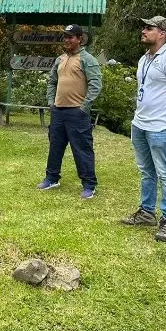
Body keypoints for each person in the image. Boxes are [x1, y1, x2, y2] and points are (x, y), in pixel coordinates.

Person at [121, 16, 166, 242]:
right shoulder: (145, 59)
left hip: (161, 127)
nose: (144, 30)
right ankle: (147, 212)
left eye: (149, 28)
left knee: (165, 174)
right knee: (146, 171)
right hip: (140, 123)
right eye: (144, 27)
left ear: (162, 33)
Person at [37, 24, 102, 199]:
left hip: (77, 113)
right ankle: (52, 178)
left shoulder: (88, 59)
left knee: (82, 149)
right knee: (55, 146)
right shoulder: (60, 59)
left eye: (71, 37)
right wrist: (51, 102)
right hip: (58, 111)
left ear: (80, 39)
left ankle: (89, 185)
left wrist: (84, 107)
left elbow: (96, 84)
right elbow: (52, 82)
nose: (67, 40)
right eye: (65, 37)